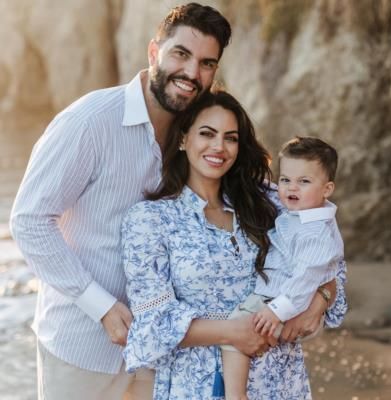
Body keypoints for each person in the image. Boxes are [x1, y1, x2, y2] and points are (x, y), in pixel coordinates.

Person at [9, 3, 233, 400]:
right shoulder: (90, 122)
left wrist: (319, 289)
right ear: (153, 52)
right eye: (181, 54)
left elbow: (259, 203)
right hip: (81, 348)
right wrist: (101, 306)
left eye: (206, 63)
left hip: (162, 352)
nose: (192, 73)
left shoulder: (201, 134)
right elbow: (29, 221)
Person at [121, 92, 347, 399]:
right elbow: (152, 323)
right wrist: (233, 332)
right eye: (206, 134)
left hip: (280, 378)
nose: (219, 147)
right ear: (184, 138)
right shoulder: (151, 218)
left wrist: (321, 298)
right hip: (198, 384)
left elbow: (330, 259)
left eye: (230, 138)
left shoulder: (270, 201)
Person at [221, 136, 344, 400]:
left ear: (327, 188)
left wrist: (279, 310)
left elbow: (309, 276)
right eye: (286, 180)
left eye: (304, 181)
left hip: (279, 301)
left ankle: (235, 395)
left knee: (234, 333)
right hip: (278, 300)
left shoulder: (315, 230)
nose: (291, 188)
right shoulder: (296, 212)